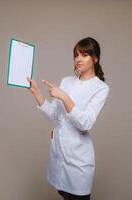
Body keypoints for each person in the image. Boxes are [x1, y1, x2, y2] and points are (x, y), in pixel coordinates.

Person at [27, 37, 110, 200]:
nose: (78, 59)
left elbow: (85, 123)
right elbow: (55, 116)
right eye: (76, 55)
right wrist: (37, 92)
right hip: (60, 155)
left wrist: (65, 97)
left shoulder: (101, 88)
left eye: (84, 55)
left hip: (78, 160)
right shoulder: (67, 81)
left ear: (95, 58)